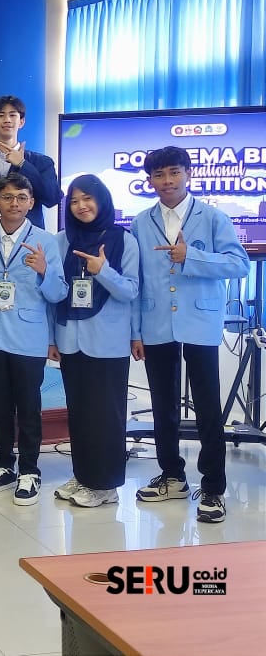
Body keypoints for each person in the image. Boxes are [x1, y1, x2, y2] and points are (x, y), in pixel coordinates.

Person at [131, 146, 249, 523]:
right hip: (156, 323)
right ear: (149, 180)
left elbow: (239, 264)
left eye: (173, 173)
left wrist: (191, 257)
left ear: (188, 173)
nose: (166, 182)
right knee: (163, 405)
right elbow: (138, 279)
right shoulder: (140, 220)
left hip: (200, 322)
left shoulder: (213, 217)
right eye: (158, 175)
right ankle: (172, 476)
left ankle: (213, 487)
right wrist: (135, 330)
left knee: (207, 409)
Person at [0, 173, 67, 506]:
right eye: (7, 196)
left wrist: (45, 270)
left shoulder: (47, 241)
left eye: (22, 197)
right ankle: (3, 465)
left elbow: (58, 294)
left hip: (29, 335)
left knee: (28, 406)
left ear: (31, 202)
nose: (14, 203)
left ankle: (30, 469)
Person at [51, 175, 139, 508]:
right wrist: (51, 337)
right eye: (73, 201)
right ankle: (85, 475)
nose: (80, 206)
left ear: (101, 200)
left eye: (87, 198)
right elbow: (55, 292)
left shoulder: (123, 240)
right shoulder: (62, 240)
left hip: (108, 342)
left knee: (106, 415)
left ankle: (106, 485)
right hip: (70, 339)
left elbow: (131, 290)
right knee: (79, 413)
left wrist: (103, 270)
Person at [0, 96, 62, 229]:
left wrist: (23, 164)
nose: (7, 120)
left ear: (21, 122)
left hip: (28, 242)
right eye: (1, 115)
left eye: (12, 115)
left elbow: (52, 199)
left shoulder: (42, 162)